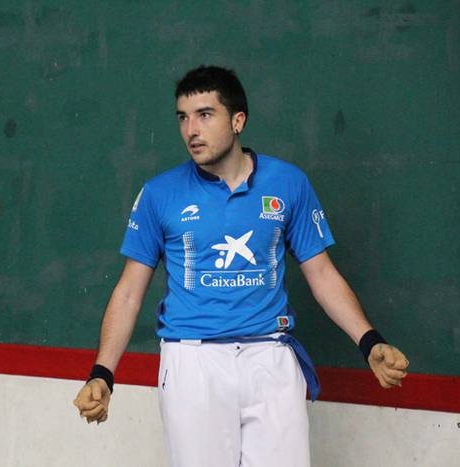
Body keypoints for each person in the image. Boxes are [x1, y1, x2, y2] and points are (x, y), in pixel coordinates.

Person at [73, 65, 409, 467]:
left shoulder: (288, 183)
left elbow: (321, 274)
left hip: (271, 359)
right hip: (193, 363)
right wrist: (103, 373)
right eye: (183, 117)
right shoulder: (159, 194)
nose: (191, 130)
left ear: (238, 121)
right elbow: (129, 292)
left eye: (205, 115)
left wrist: (369, 341)